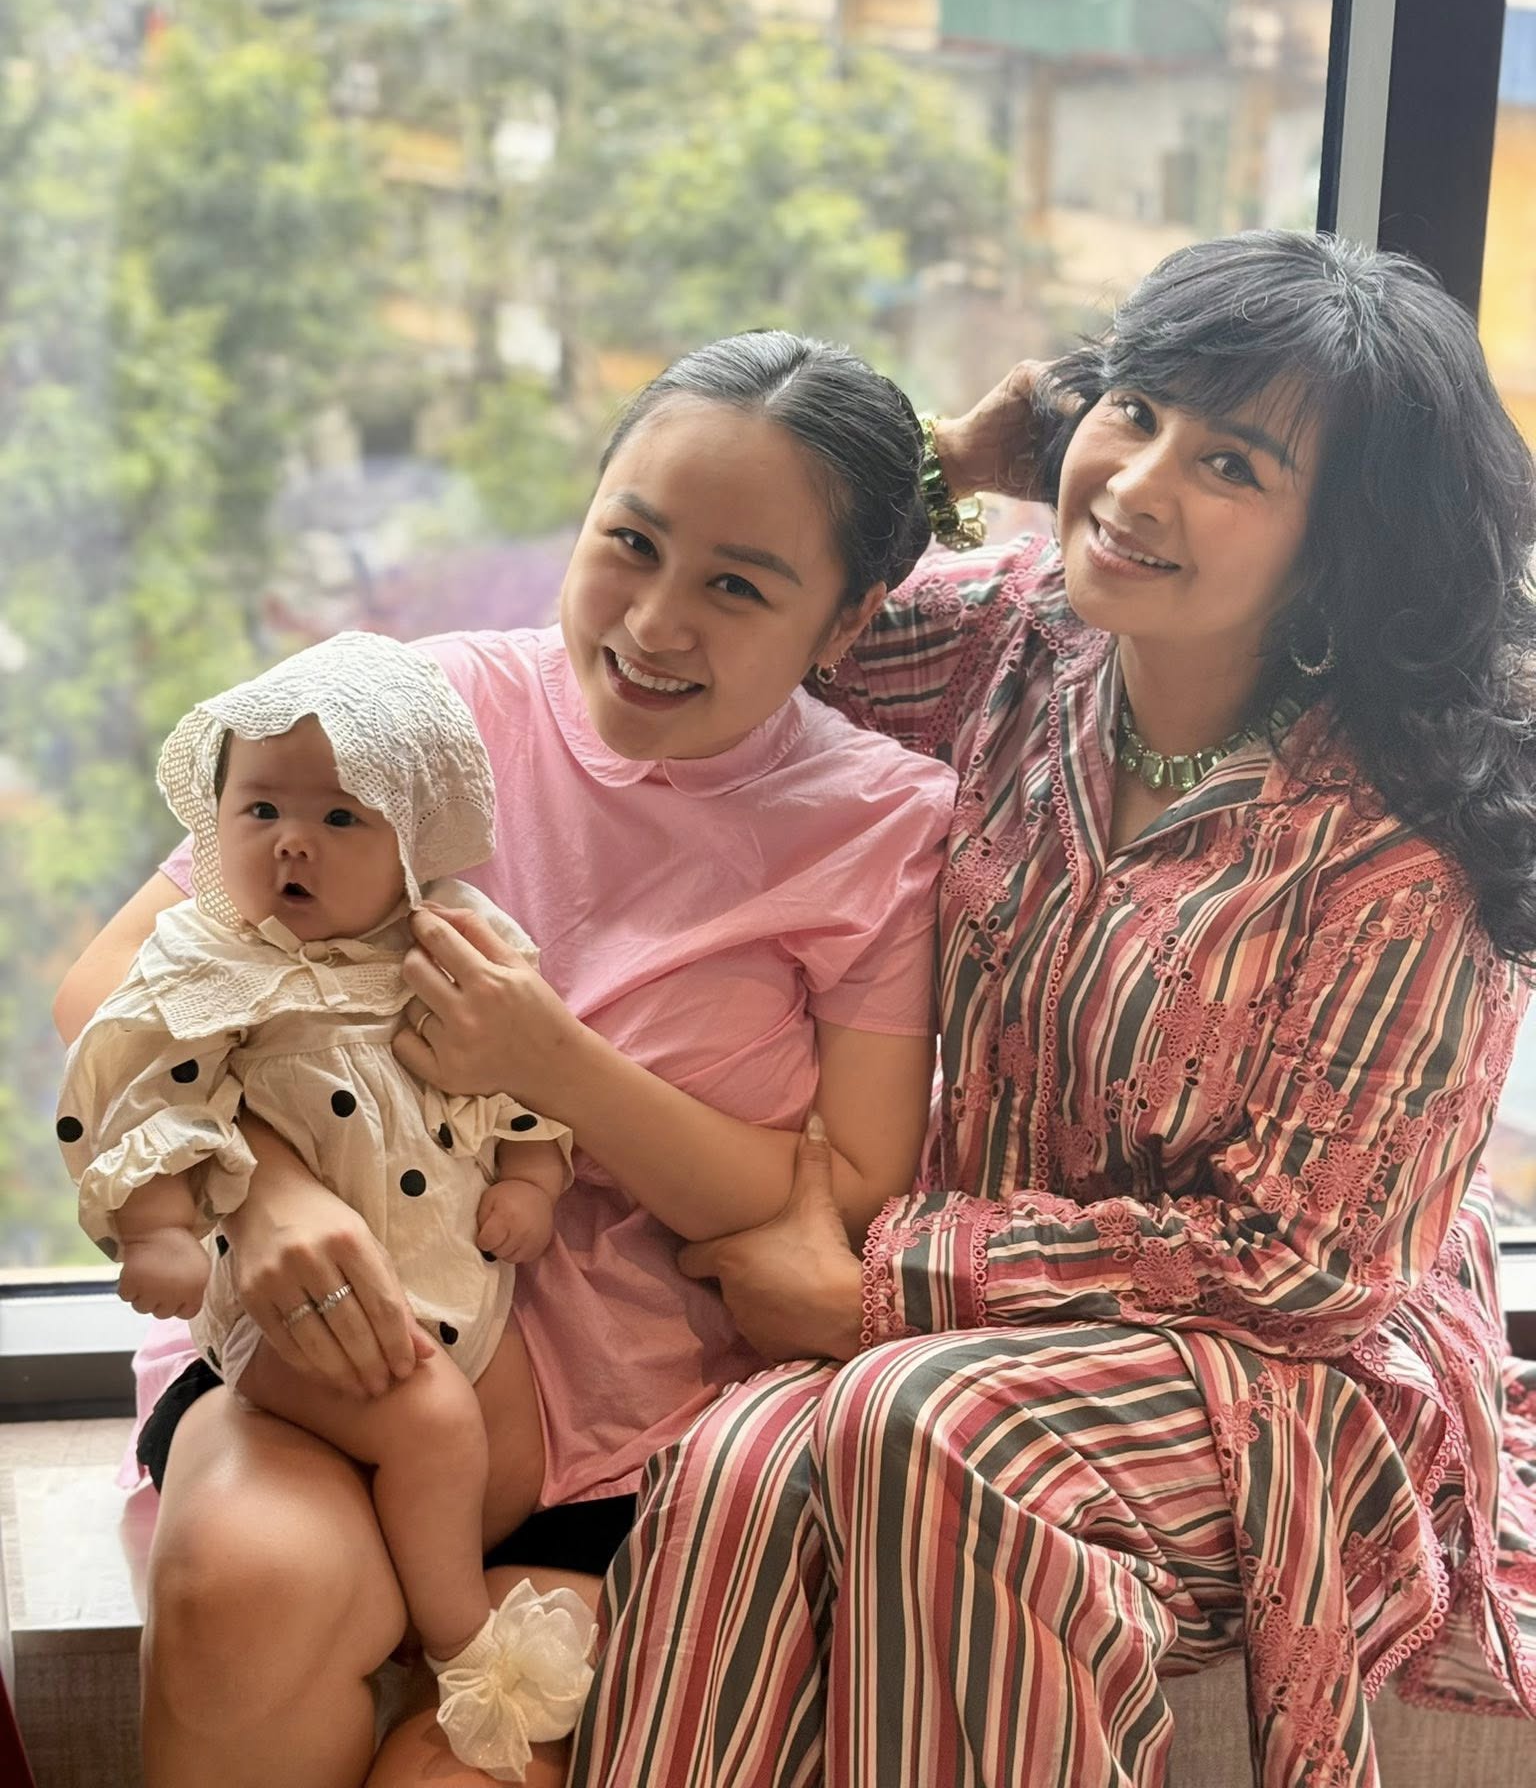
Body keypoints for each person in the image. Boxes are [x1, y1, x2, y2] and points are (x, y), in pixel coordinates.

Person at [565, 231, 1536, 1788]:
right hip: (982, 1345)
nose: (1138, 482)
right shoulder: (1018, 642)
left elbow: (1308, 1268)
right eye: (1133, 410)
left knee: (923, 1427)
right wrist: (951, 460)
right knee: (738, 1460)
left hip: (1275, 1382)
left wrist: (889, 1284)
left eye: (1230, 464)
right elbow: (781, 608)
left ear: (1343, 544)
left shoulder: (1401, 843)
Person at [52, 330, 958, 1788]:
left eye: (737, 585)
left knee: (454, 1769)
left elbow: (843, 1191)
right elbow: (109, 990)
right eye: (631, 543)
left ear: (846, 621)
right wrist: (267, 1190)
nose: (655, 623)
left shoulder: (882, 824)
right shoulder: (426, 708)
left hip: (638, 1445)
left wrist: (554, 1062)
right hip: (322, 1355)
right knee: (241, 1598)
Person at [57, 630, 597, 1780]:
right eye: (259, 810)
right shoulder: (211, 962)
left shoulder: (455, 945)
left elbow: (527, 1082)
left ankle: (404, 1608)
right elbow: (151, 1094)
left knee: (495, 1413)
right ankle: (461, 1641)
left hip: (461, 1292)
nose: (291, 841)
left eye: (342, 817)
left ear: (415, 839)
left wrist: (532, 1180)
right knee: (433, 1421)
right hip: (290, 1319)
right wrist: (159, 1226)